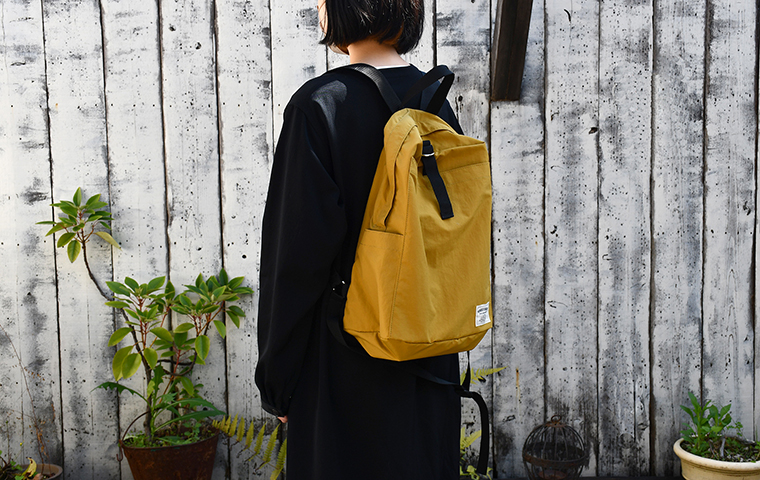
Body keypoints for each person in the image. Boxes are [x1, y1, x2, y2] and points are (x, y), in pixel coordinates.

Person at [255, 0, 463, 478]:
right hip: (427, 350)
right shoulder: (435, 101)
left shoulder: (320, 105)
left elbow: (295, 259)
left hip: (343, 361)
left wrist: (278, 382)